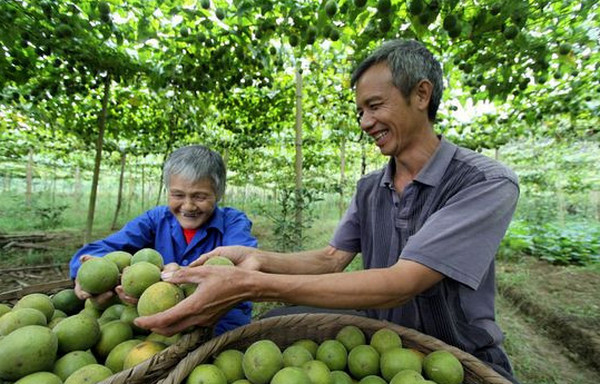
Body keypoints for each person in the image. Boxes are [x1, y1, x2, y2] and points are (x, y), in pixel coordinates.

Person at [135, 40, 520, 383]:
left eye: (374, 106)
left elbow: (402, 282)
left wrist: (253, 284)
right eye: (360, 112)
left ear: (421, 95)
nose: (365, 123)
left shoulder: (483, 183)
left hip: (456, 357)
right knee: (270, 327)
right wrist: (255, 258)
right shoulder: (371, 188)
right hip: (376, 350)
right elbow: (330, 259)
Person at [69, 144, 257, 336]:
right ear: (167, 191)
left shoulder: (233, 222)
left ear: (218, 194)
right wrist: (86, 271)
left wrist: (184, 276)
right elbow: (98, 250)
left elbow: (244, 271)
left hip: (222, 325)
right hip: (159, 327)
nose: (188, 206)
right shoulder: (155, 219)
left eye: (199, 196)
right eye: (178, 195)